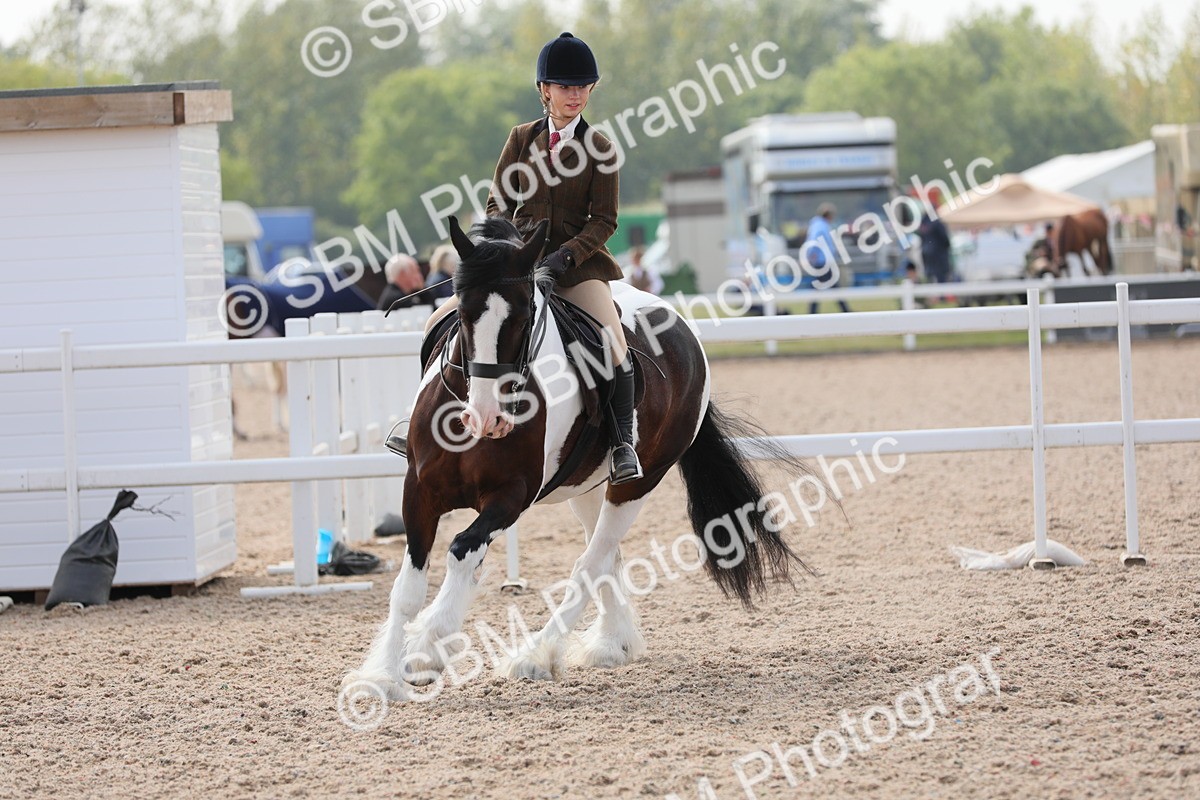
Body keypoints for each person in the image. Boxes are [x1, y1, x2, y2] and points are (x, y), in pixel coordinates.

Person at [419, 32, 641, 484]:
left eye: (582, 87)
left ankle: (622, 441)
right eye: (565, 87)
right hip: (516, 266)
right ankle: (421, 425)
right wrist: (509, 249)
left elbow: (605, 221)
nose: (574, 95)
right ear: (545, 90)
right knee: (436, 323)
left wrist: (563, 257)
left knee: (614, 343)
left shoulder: (601, 148)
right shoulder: (521, 139)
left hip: (576, 269)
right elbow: (498, 201)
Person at [804, 202, 849, 314]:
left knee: (823, 287)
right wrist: (811, 254)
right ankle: (845, 310)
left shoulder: (818, 224)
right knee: (828, 286)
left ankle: (813, 312)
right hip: (822, 262)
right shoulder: (820, 225)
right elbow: (813, 240)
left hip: (823, 261)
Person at [918, 212, 952, 285]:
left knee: (930, 281)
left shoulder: (923, 224)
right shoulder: (938, 224)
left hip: (928, 258)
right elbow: (946, 241)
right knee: (941, 282)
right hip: (939, 259)